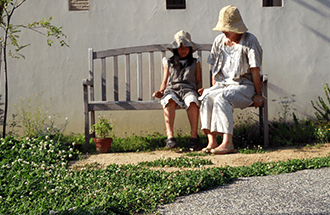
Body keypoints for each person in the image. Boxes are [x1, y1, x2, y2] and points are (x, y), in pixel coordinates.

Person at [199, 5, 264, 154]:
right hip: (223, 85)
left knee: (222, 98)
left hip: (244, 86)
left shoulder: (250, 40)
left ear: (236, 29)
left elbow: (255, 69)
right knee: (207, 96)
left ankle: (228, 143)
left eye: (226, 28)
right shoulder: (219, 41)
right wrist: (212, 89)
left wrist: (258, 93)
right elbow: (215, 70)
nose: (223, 31)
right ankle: (212, 141)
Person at [153, 30, 203, 150]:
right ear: (175, 49)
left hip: (189, 89)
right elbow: (164, 81)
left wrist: (200, 90)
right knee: (169, 101)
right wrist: (161, 91)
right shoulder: (168, 62)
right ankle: (170, 137)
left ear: (191, 48)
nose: (183, 50)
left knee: (192, 102)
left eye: (186, 47)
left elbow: (198, 80)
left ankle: (194, 137)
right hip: (172, 89)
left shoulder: (196, 62)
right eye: (180, 47)